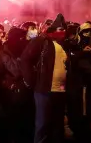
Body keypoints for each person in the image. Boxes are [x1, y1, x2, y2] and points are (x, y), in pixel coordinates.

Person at [21, 13, 68, 143]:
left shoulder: (65, 45)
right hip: (44, 90)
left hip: (60, 91)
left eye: (64, 29)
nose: (63, 32)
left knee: (57, 126)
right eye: (60, 29)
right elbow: (25, 59)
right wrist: (31, 81)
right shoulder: (42, 41)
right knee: (43, 125)